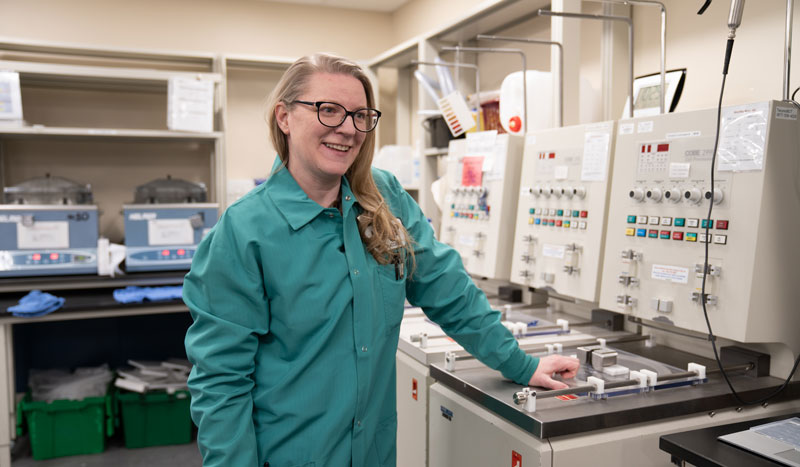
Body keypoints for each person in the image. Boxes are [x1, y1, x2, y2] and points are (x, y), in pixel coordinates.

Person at [183, 52, 580, 467]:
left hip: (373, 452)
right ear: (284, 117)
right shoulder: (244, 232)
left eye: (360, 115)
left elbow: (448, 290)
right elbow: (221, 383)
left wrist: (520, 363)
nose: (347, 129)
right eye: (328, 110)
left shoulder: (385, 199)